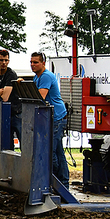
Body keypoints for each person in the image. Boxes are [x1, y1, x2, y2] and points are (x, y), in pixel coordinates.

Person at [30, 51, 70, 189]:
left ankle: (56, 181)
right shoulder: (37, 77)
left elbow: (40, 97)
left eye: (36, 62)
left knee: (51, 152)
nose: (32, 65)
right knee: (58, 152)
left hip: (56, 117)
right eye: (31, 62)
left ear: (43, 63)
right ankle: (63, 184)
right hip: (53, 116)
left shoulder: (46, 76)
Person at [0, 49, 22, 141]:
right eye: (1, 60)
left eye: (6, 60)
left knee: (22, 140)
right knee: (6, 142)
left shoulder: (11, 74)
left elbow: (5, 98)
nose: (4, 63)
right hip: (3, 113)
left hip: (15, 112)